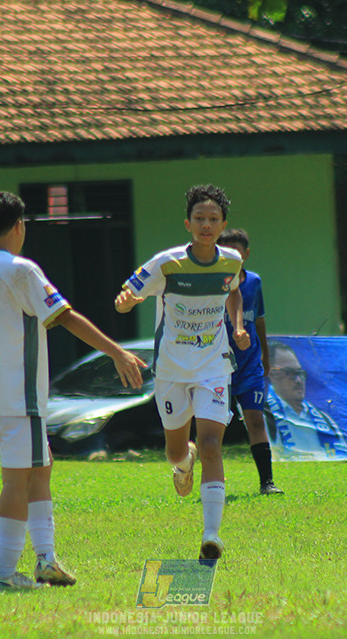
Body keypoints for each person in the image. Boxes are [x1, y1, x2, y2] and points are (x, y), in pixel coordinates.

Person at [0, 191, 146, 591]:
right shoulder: (20, 269)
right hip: (16, 392)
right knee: (17, 479)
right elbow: (65, 316)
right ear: (19, 226)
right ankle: (4, 574)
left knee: (41, 467)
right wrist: (117, 352)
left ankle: (45, 559)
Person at [114, 184, 249, 563]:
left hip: (213, 366)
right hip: (172, 367)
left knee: (211, 445)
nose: (206, 225)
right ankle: (182, 462)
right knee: (177, 451)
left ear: (223, 225)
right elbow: (127, 295)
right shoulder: (167, 263)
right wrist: (127, 301)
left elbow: (234, 291)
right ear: (187, 223)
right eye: (200, 219)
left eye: (214, 219)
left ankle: (212, 536)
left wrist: (236, 326)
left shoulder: (231, 262)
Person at [216, 228, 282, 495]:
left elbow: (260, 319)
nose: (232, 256)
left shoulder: (254, 281)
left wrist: (265, 353)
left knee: (255, 419)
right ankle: (212, 484)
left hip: (249, 363)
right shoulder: (212, 283)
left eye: (237, 251)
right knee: (215, 426)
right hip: (217, 364)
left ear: (246, 254)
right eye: (226, 251)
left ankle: (267, 482)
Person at [265, 340, 347, 460]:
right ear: (272, 374)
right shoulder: (263, 414)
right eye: (290, 373)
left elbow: (344, 457)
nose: (298, 381)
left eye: (300, 373)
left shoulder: (325, 421)